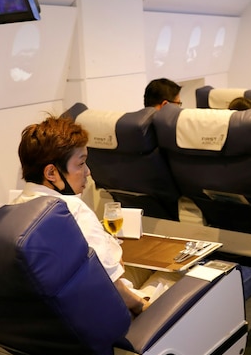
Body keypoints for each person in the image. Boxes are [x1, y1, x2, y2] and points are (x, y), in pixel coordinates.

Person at [11, 115, 150, 315]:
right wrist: (142, 305)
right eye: (81, 164)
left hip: (54, 316)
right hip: (106, 316)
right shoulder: (71, 209)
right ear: (51, 173)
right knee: (169, 280)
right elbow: (113, 289)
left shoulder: (14, 206)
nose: (88, 172)